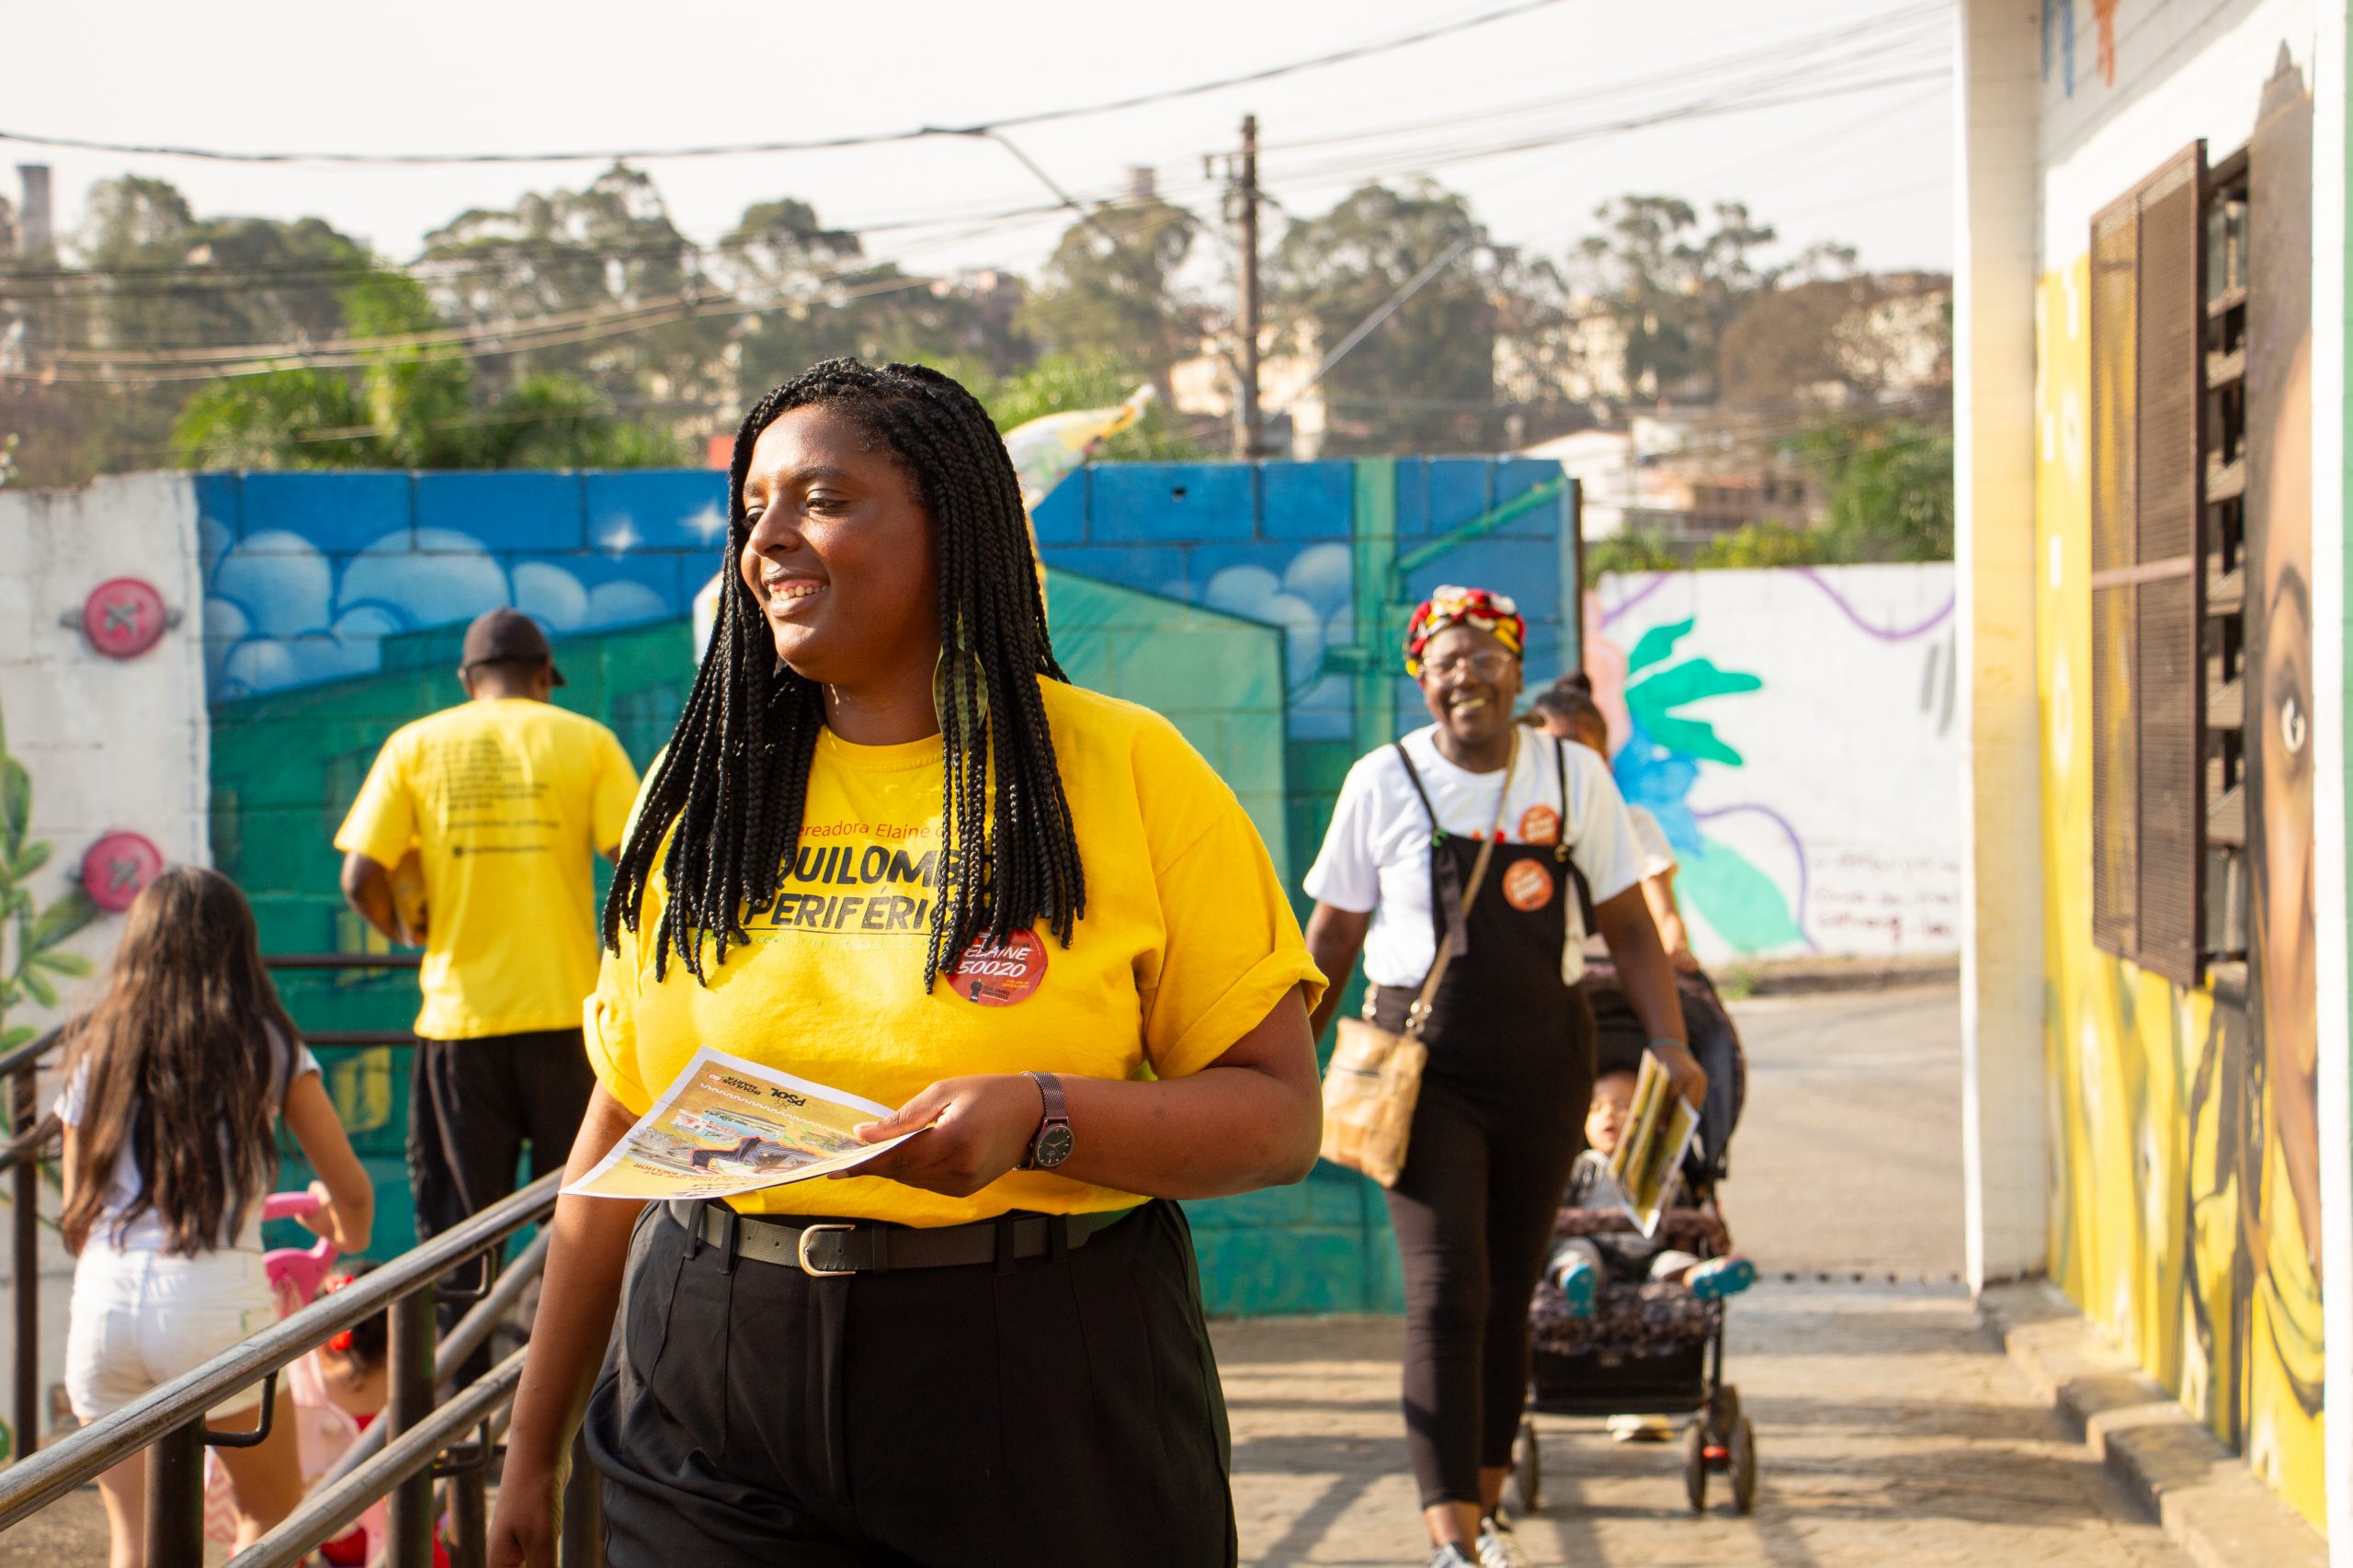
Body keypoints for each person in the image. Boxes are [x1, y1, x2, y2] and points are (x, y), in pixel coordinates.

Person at [485, 359, 1325, 1568]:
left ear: (956, 525)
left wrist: (1044, 1117)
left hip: (1038, 1371)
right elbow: (624, 1119)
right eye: (753, 509)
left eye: (822, 499)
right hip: (712, 1378)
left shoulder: (1128, 773)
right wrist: (533, 1441)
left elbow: (1280, 1118)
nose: (769, 538)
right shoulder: (701, 796)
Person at [1302, 586, 1703, 1568]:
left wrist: (1671, 1040)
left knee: (1508, 1291)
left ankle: (1481, 1519)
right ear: (1420, 680)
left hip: (1546, 1066)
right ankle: (1449, 1538)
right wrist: (1281, 1054)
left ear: (1518, 670)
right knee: (1446, 1290)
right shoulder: (1381, 780)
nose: (1463, 675)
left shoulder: (1571, 777)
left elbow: (1626, 923)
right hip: (1421, 1070)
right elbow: (1334, 937)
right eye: (1442, 661)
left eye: (1483, 655)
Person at [57, 867, 374, 1567]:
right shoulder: (266, 1042)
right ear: (239, 948)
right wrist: (342, 1232)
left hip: (104, 1304)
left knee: (134, 1541)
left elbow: (75, 1207)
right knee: (275, 1516)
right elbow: (351, 1192)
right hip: (210, 1305)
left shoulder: (99, 1047)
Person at [335, 608, 640, 1252]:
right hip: (567, 1017)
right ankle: (566, 1354)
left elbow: (359, 876)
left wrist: (402, 929)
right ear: (541, 678)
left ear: (469, 680)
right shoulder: (585, 740)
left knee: (458, 1233)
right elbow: (638, 866)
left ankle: (462, 1354)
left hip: (459, 1023)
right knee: (579, 1218)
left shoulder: (414, 746)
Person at [1543, 1060, 1755, 1314]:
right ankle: (1575, 1282)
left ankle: (1700, 1276)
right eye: (1595, 1108)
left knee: (1672, 1264)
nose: (1608, 1115)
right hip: (1593, 1247)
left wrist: (1695, 1230)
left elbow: (1684, 1223)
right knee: (1573, 1253)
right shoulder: (1585, 1166)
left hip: (1651, 1254)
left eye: (1622, 1107)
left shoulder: (1664, 1172)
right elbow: (1558, 1213)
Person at [1526, 676, 1696, 968]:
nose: (1563, 766)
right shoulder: (1519, 833)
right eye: (1549, 753)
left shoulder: (1633, 826)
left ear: (1603, 760)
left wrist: (1675, 954)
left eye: (1575, 753)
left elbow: (1665, 919)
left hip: (1618, 981)